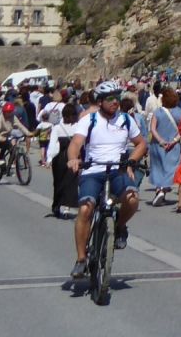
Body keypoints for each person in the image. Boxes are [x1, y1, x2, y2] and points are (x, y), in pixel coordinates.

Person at [66, 80, 148, 277]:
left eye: (118, 98)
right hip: (93, 169)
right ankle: (80, 259)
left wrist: (131, 161)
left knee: (132, 199)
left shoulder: (126, 120)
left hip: (117, 169)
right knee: (86, 209)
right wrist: (73, 159)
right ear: (100, 101)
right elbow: (76, 143)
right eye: (110, 98)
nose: (115, 102)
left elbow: (141, 144)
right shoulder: (90, 119)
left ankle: (119, 227)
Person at [44, 101, 83, 220]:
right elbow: (52, 144)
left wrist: (49, 158)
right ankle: (60, 205)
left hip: (65, 158)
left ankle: (63, 206)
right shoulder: (62, 128)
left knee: (66, 183)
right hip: (64, 158)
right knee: (63, 183)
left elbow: (53, 144)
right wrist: (49, 158)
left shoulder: (60, 128)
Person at [147, 89, 181, 207]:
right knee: (170, 168)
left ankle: (159, 190)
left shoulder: (158, 112)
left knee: (158, 167)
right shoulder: (179, 112)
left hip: (158, 144)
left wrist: (161, 141)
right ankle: (163, 189)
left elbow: (152, 128)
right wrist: (174, 141)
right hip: (173, 145)